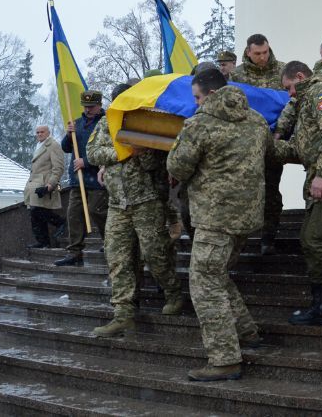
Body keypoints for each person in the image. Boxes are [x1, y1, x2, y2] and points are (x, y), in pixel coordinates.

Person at [167, 69, 274, 382]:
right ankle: (248, 332)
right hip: (247, 217)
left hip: (215, 219)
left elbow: (178, 166)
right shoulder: (255, 119)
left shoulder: (200, 124)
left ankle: (225, 358)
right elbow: (271, 153)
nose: (196, 103)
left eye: (198, 97)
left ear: (210, 95)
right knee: (216, 275)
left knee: (203, 284)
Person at [88, 86, 184, 337]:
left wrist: (143, 151)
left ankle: (174, 293)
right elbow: (93, 153)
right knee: (117, 259)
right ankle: (123, 314)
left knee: (155, 253)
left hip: (147, 200)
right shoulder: (106, 122)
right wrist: (125, 151)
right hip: (117, 203)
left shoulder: (146, 121)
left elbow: (158, 163)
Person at [274, 61, 322, 328]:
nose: (289, 94)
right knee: (310, 242)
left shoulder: (321, 91)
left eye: (289, 87)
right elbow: (303, 147)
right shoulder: (307, 99)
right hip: (319, 180)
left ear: (299, 76)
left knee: (317, 239)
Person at [228, 33, 284, 255]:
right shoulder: (236, 75)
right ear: (248, 52)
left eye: (266, 52)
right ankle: (241, 239)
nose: (263, 57)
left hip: (272, 142)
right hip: (244, 146)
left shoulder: (282, 70)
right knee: (242, 191)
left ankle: (268, 237)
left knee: (271, 190)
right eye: (258, 53)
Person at [57, 90, 107, 267]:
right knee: (74, 215)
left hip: (98, 178)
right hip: (77, 179)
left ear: (99, 105)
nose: (87, 110)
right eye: (85, 107)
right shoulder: (76, 123)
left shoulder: (106, 123)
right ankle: (74, 252)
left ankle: (110, 243)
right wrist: (68, 135)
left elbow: (110, 149)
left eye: (91, 106)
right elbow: (66, 148)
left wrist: (86, 162)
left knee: (98, 211)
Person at [23, 125, 65, 248]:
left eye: (42, 132)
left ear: (48, 133)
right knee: (35, 214)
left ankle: (60, 222)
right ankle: (43, 242)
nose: (39, 134)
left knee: (40, 211)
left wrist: (50, 185)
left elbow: (58, 168)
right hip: (34, 184)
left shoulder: (53, 145)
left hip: (44, 183)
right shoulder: (38, 146)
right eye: (37, 132)